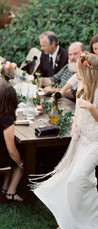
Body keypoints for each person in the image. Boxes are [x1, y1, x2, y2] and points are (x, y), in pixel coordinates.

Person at [33, 52, 98, 226]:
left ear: (87, 72)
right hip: (81, 139)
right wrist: (75, 123)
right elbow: (78, 112)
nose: (75, 72)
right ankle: (87, 221)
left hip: (95, 143)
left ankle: (74, 222)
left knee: (76, 180)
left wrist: (91, 107)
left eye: (78, 70)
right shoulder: (82, 87)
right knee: (78, 180)